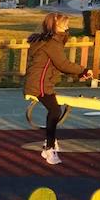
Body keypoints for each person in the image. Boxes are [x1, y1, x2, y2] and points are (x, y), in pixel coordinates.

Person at [23, 13, 91, 166]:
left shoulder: (50, 41)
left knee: (55, 110)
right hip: (39, 84)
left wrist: (79, 74)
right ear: (55, 27)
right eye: (64, 24)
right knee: (55, 111)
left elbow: (57, 65)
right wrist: (83, 70)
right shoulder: (52, 43)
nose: (67, 27)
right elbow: (63, 64)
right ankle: (49, 147)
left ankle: (50, 142)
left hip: (41, 82)